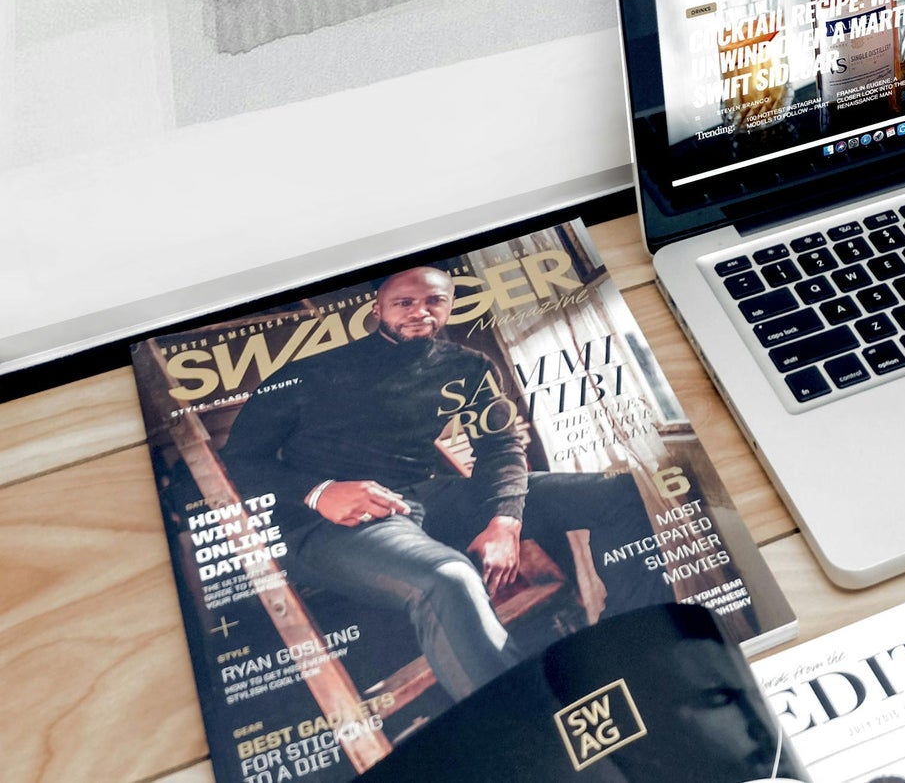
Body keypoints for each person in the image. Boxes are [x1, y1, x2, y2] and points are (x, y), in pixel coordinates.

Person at [222, 265, 668, 702]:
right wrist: (319, 492)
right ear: (377, 309)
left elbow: (500, 445)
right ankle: (525, 723)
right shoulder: (308, 374)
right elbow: (237, 463)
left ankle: (632, 648)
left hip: (428, 497)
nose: (420, 312)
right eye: (404, 303)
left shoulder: (467, 366)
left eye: (434, 301)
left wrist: (505, 521)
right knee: (450, 578)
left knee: (618, 492)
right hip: (330, 525)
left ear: (450, 305)